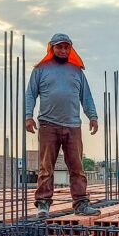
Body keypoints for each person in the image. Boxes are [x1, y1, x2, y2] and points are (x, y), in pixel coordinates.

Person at [25, 32, 100, 219]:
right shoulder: (40, 70)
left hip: (72, 126)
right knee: (46, 167)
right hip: (48, 125)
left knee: (77, 167)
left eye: (67, 47)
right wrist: (28, 116)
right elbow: (30, 94)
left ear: (70, 49)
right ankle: (43, 205)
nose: (63, 50)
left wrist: (93, 116)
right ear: (52, 48)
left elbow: (86, 97)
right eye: (59, 46)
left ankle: (81, 203)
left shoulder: (77, 72)